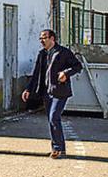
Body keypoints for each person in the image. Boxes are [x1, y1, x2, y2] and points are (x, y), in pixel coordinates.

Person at [21, 29, 83, 159]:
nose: (42, 41)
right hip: (47, 92)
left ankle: (57, 148)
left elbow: (77, 66)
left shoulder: (63, 52)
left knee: (54, 116)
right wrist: (28, 89)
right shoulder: (42, 54)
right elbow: (36, 73)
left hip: (60, 91)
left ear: (52, 38)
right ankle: (60, 148)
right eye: (40, 38)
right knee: (51, 119)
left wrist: (65, 73)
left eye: (44, 38)